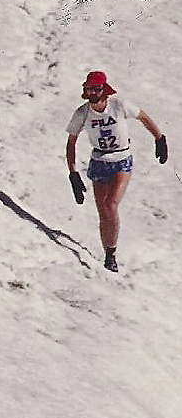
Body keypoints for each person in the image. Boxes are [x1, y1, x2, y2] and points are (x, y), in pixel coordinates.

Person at [65, 70, 168, 272]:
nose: (93, 92)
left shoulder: (119, 105)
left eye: (96, 88)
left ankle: (111, 254)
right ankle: (109, 254)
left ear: (104, 90)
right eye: (89, 89)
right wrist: (73, 173)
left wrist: (159, 138)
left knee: (110, 205)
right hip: (99, 160)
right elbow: (71, 142)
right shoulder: (82, 113)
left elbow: (143, 117)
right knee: (103, 212)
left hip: (121, 159)